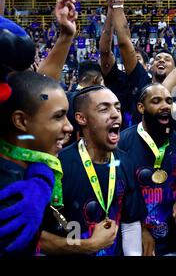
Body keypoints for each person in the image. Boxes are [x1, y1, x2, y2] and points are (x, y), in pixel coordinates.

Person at [40, 85, 147, 256]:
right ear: (82, 118)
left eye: (117, 108)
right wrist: (88, 245)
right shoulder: (58, 166)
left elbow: (130, 224)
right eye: (104, 109)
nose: (115, 114)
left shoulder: (126, 162)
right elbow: (39, 237)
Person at [0, 71, 73, 255]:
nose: (69, 127)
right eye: (58, 117)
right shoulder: (9, 195)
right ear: (21, 121)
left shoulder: (34, 172)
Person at [119, 83, 176, 256]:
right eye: (156, 101)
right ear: (141, 107)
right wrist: (140, 227)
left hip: (174, 243)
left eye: (169, 101)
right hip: (134, 241)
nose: (165, 106)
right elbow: (117, 196)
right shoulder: (122, 144)